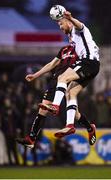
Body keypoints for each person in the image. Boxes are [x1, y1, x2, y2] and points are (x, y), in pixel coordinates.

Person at [39, 5, 100, 142]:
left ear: (67, 21)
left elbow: (80, 26)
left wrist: (71, 18)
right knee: (70, 94)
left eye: (60, 23)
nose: (60, 27)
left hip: (88, 62)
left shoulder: (77, 29)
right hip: (91, 66)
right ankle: (76, 126)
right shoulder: (71, 37)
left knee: (62, 77)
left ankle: (55, 105)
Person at [16, 44, 96, 148]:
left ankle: (90, 128)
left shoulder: (82, 48)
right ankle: (32, 139)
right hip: (56, 80)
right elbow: (52, 64)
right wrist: (35, 75)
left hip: (69, 79)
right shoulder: (64, 49)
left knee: (74, 113)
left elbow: (86, 65)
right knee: (42, 109)